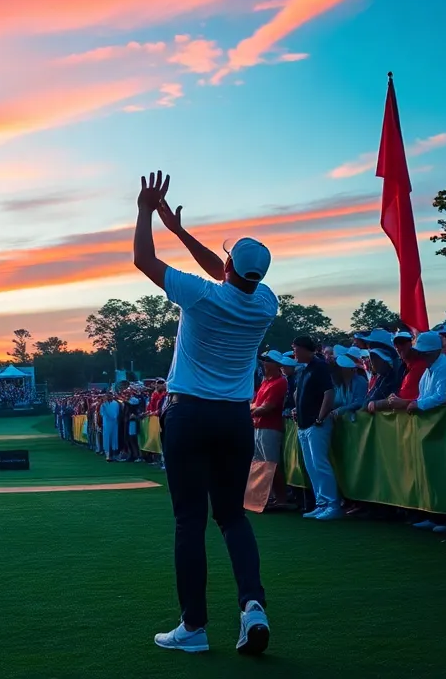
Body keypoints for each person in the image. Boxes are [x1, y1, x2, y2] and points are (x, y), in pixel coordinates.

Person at [133, 171, 274, 656]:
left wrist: (146, 212)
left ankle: (193, 627)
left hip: (190, 414)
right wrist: (179, 230)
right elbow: (226, 273)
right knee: (232, 517)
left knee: (189, 522)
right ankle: (252, 607)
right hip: (235, 418)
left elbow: (143, 260)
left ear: (229, 265)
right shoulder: (266, 303)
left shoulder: (201, 294)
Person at [291, 336, 340, 521]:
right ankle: (321, 503)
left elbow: (329, 393)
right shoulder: (305, 369)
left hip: (316, 424)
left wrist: (320, 417)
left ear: (304, 349)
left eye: (295, 349)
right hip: (304, 424)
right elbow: (301, 394)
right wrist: (296, 409)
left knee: (320, 464)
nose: (294, 353)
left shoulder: (319, 366)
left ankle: (332, 504)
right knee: (311, 466)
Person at [251, 352, 287, 506]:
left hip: (271, 427)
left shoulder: (280, 382)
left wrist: (250, 411)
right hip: (259, 426)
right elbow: (256, 404)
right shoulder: (266, 382)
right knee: (260, 463)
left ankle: (281, 498)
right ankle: (266, 496)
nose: (264, 363)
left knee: (271, 463)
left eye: (267, 361)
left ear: (276, 364)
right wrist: (253, 410)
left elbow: (268, 407)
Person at [100, 393, 120, 461]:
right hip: (106, 423)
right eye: (107, 396)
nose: (109, 397)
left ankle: (114, 455)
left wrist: (114, 417)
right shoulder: (103, 404)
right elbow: (102, 413)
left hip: (114, 423)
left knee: (114, 438)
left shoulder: (116, 403)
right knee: (106, 438)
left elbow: (117, 412)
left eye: (110, 396)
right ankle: (107, 455)